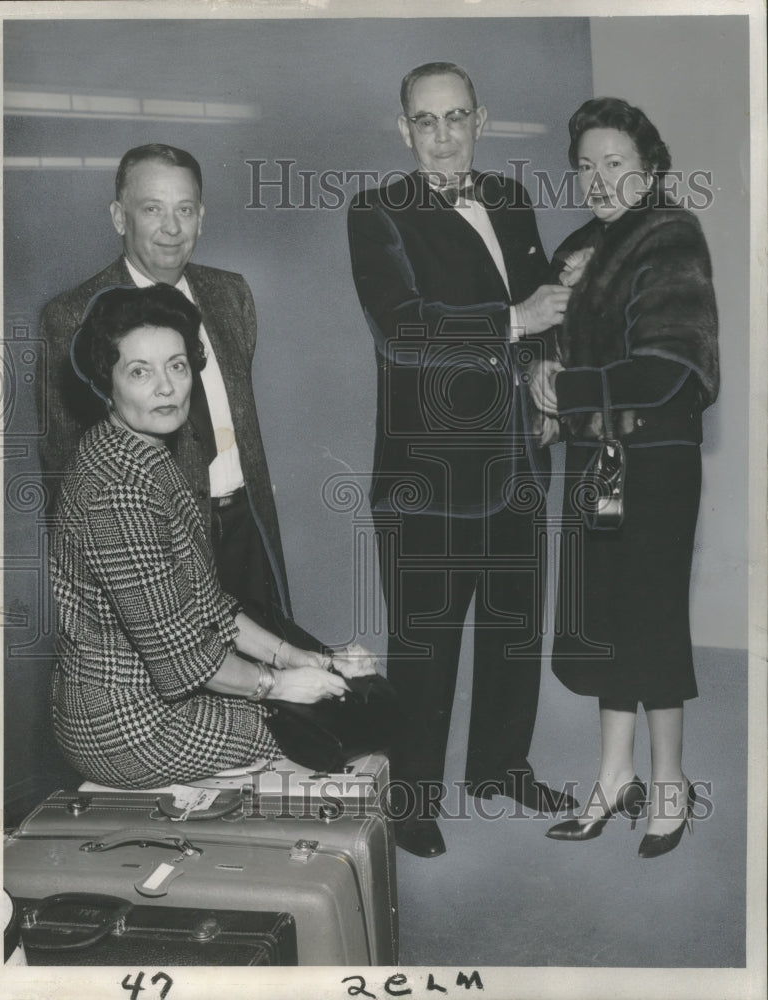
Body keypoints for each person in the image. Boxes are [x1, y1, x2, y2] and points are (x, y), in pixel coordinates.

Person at [347, 61, 577, 857]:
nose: (441, 137)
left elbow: (542, 301)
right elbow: (401, 330)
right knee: (425, 645)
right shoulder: (376, 212)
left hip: (517, 460)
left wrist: (545, 362)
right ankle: (412, 798)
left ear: (481, 119)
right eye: (424, 121)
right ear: (402, 128)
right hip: (428, 478)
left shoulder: (510, 199)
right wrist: (515, 323)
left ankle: (498, 766)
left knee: (514, 631)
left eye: (455, 118)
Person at [50, 283, 375, 789]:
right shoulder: (118, 491)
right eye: (140, 372)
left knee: (341, 692)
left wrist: (298, 658)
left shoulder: (142, 452)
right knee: (344, 720)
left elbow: (207, 604)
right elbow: (181, 659)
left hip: (153, 697)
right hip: (130, 727)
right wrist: (278, 686)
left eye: (177, 366)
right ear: (106, 381)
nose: (166, 388)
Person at [529, 97, 719, 858]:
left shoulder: (672, 234)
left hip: (657, 464)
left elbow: (672, 369)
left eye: (614, 163)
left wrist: (565, 390)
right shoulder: (585, 245)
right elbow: (551, 341)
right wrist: (551, 344)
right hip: (597, 463)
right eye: (584, 165)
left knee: (651, 621)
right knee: (604, 620)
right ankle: (613, 778)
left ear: (648, 167)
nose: (598, 178)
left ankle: (668, 784)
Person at [39, 143, 291, 633]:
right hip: (153, 550)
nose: (172, 228)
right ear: (119, 217)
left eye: (185, 209)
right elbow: (65, 475)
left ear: (202, 217)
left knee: (276, 690)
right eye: (152, 209)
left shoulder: (231, 294)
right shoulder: (71, 317)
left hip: (247, 529)